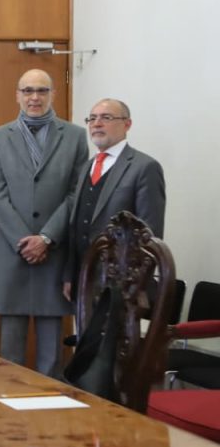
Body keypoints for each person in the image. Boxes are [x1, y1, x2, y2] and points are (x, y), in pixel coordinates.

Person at [0, 69, 87, 375]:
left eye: (42, 91)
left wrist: (45, 238)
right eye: (27, 91)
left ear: (53, 94)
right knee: (10, 351)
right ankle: (10, 415)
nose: (34, 97)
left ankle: (51, 418)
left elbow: (76, 193)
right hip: (11, 251)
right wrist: (24, 241)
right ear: (17, 95)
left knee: (51, 354)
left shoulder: (74, 136)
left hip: (53, 253)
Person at [64, 98, 165, 301]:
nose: (97, 124)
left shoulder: (144, 167)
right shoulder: (87, 166)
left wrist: (132, 287)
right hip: (82, 279)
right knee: (85, 334)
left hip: (122, 287)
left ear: (127, 124)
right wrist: (69, 275)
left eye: (106, 117)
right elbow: (76, 226)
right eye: (92, 118)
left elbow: (150, 234)